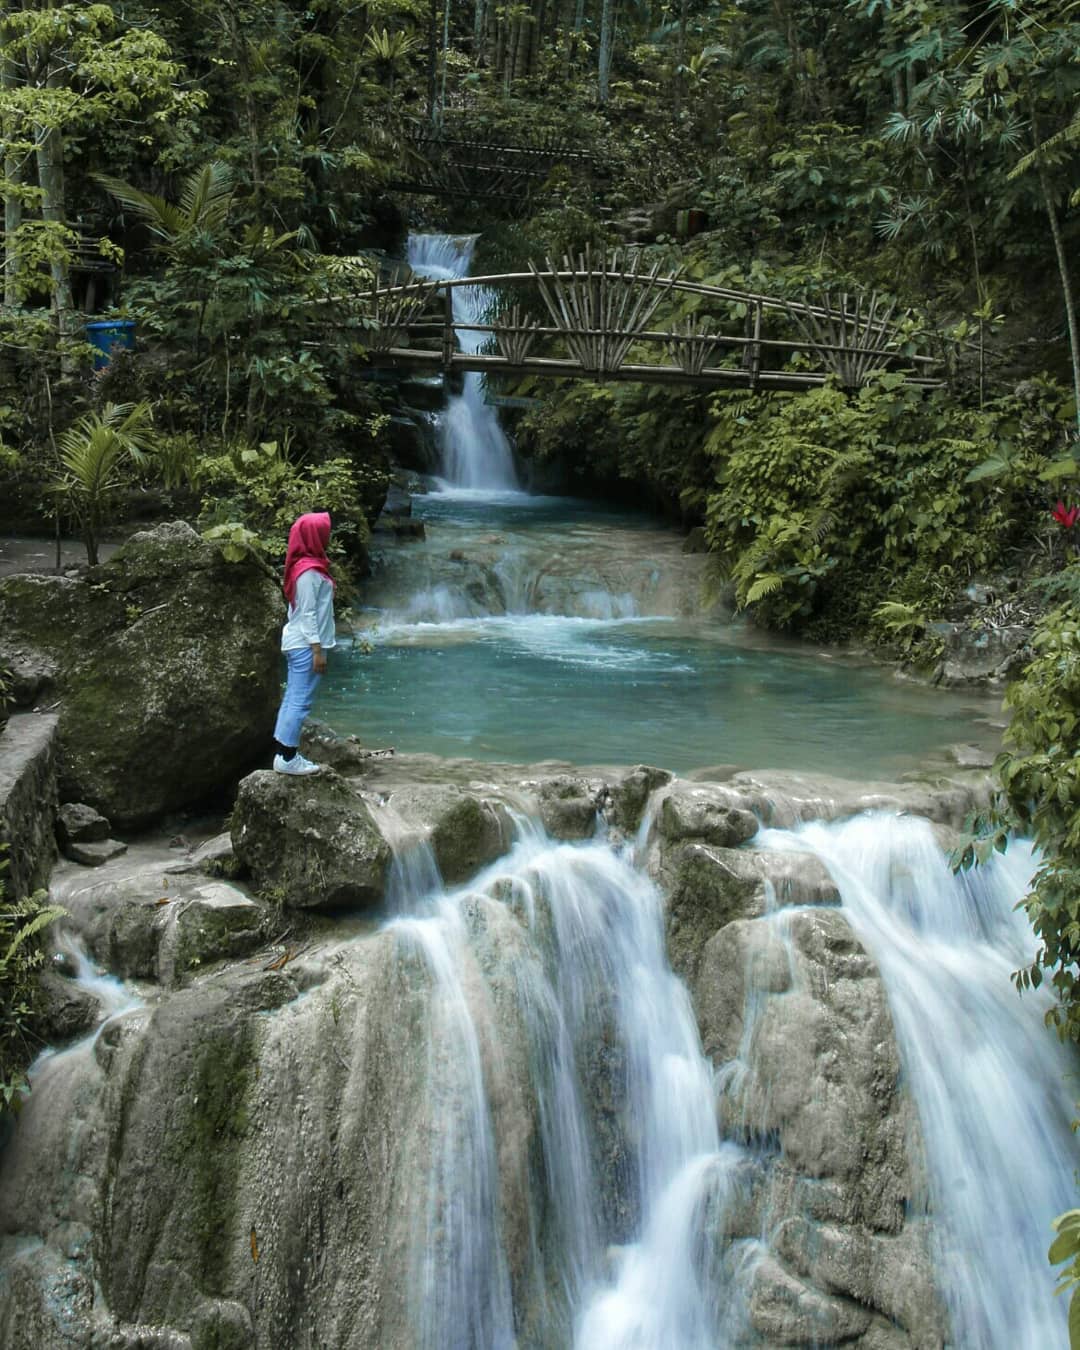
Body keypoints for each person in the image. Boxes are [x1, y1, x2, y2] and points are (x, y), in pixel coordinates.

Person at [272, 511, 335, 775]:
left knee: (292, 699)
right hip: (305, 646)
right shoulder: (308, 572)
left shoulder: (304, 567)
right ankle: (287, 758)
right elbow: (308, 613)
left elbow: (297, 611)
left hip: (298, 642)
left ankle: (283, 753)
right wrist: (317, 650)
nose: (328, 536)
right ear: (313, 536)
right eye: (324, 532)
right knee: (300, 701)